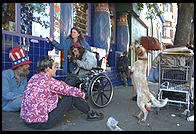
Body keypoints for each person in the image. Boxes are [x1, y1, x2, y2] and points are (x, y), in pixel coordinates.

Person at [20, 56, 104, 129]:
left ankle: (85, 110)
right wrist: (83, 94)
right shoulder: (48, 81)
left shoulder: (34, 77)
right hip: (42, 122)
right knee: (71, 96)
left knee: (61, 95)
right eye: (54, 66)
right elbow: (69, 90)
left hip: (27, 120)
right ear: (48, 69)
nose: (56, 68)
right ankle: (91, 113)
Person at [2, 47, 32, 112]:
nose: (28, 66)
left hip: (19, 101)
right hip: (6, 105)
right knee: (27, 100)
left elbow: (25, 91)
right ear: (19, 66)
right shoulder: (4, 75)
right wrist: (23, 97)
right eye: (26, 65)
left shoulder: (24, 77)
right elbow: (5, 94)